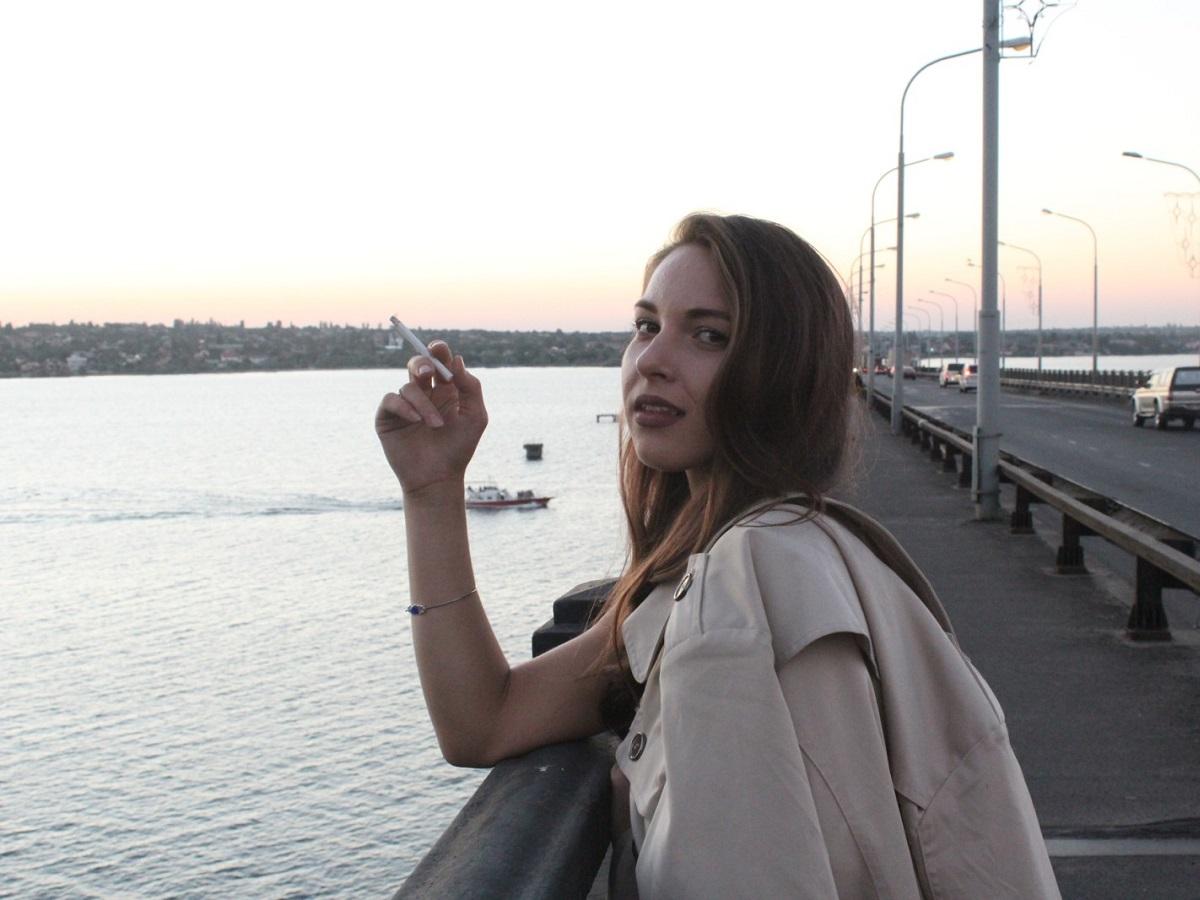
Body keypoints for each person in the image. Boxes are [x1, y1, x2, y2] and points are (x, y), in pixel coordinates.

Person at [375, 213, 1060, 899]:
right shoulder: (774, 555)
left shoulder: (741, 586)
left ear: (784, 371)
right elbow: (484, 722)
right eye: (647, 325)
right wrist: (432, 490)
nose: (652, 359)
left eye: (708, 335)